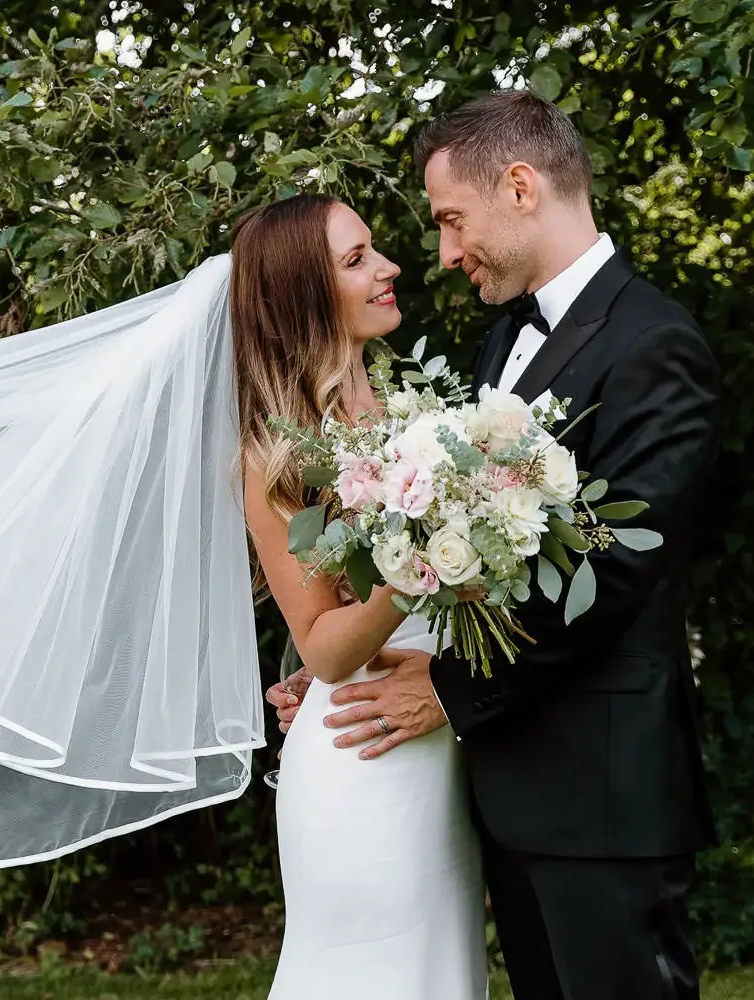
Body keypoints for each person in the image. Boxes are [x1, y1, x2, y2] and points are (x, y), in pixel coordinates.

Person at [268, 90, 722, 1000]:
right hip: (504, 788)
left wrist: (446, 685)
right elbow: (465, 559)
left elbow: (618, 567)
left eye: (450, 220)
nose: (442, 251)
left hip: (600, 790)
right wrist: (345, 665)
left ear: (520, 186)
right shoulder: (500, 341)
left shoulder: (654, 343)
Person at [230, 194, 490, 997]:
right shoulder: (276, 453)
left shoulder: (400, 411)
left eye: (372, 251)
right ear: (307, 294)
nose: (389, 269)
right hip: (363, 760)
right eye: (356, 260)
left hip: (434, 751)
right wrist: (420, 567)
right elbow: (326, 647)